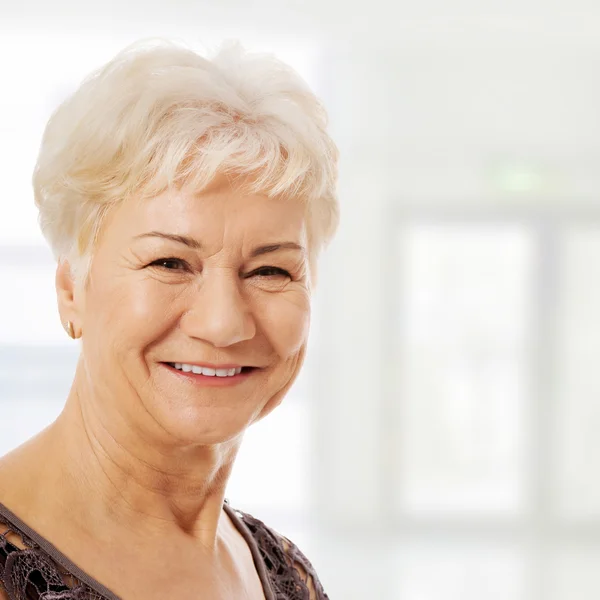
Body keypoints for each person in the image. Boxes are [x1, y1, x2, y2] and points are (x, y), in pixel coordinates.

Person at [0, 38, 338, 600]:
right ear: (70, 289)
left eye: (270, 271)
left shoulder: (286, 572)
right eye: (170, 262)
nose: (225, 323)